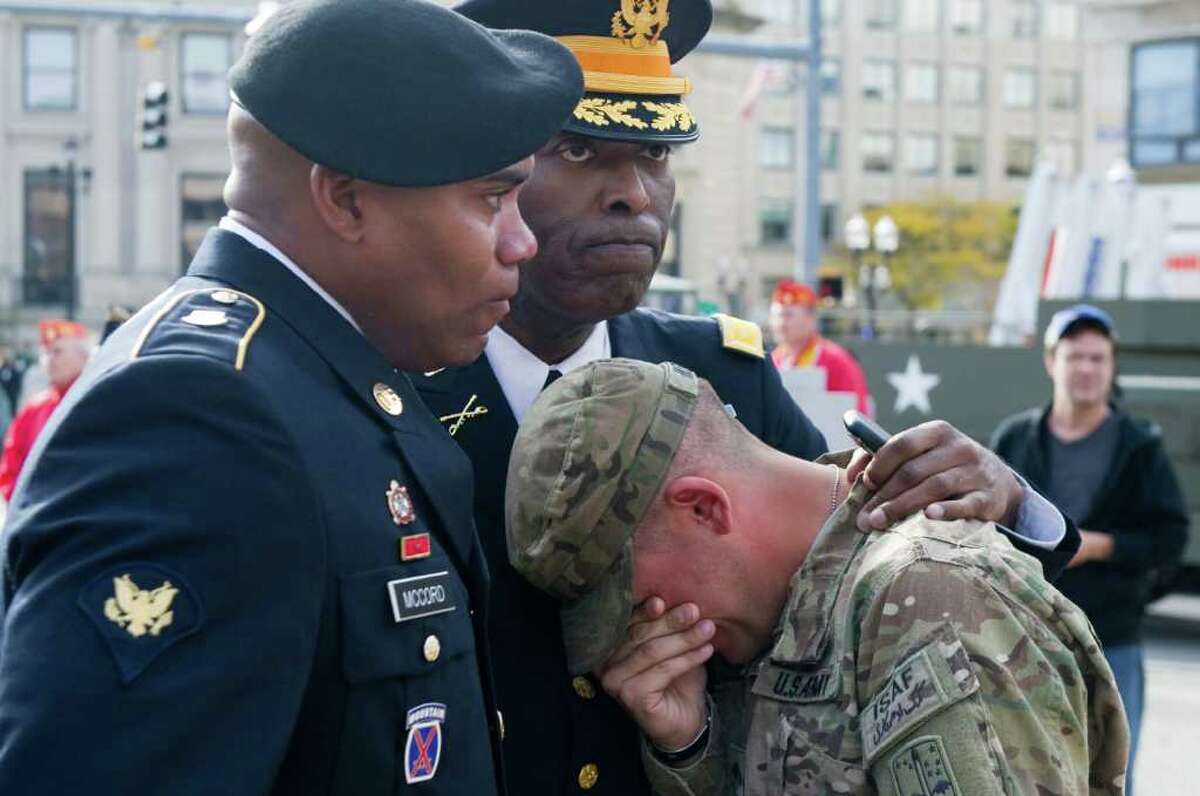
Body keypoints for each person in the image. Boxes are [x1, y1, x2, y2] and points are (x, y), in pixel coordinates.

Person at [419, 1, 1080, 793]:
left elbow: (875, 569)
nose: (633, 193)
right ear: (497, 171)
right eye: (579, 148)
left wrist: (1001, 502)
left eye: (657, 153)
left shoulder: (722, 375)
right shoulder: (403, 396)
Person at [0, 1, 582, 792]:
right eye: (490, 198)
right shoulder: (199, 414)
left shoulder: (317, 371)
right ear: (344, 200)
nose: (523, 241)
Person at [506, 358, 1129, 796]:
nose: (639, 631)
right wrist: (690, 747)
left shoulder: (925, 598)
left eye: (632, 598)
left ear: (704, 508)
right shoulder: (792, 608)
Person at [992, 304, 1189, 794]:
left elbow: (1170, 536)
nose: (1085, 368)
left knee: (1109, 776)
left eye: (1097, 359)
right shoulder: (1016, 439)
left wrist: (1099, 547)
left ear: (1111, 366)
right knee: (1022, 771)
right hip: (1025, 634)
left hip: (1112, 636)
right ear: (1051, 362)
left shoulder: (1138, 445)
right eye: (1075, 356)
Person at [0, 319, 91, 501]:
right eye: (45, 353)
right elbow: (11, 469)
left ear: (84, 356)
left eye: (57, 352)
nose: (49, 360)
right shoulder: (34, 409)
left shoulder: (96, 403)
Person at [768, 278, 872, 415]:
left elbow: (857, 413)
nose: (781, 323)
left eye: (788, 315)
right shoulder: (772, 361)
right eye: (776, 316)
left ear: (811, 319)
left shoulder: (836, 360)